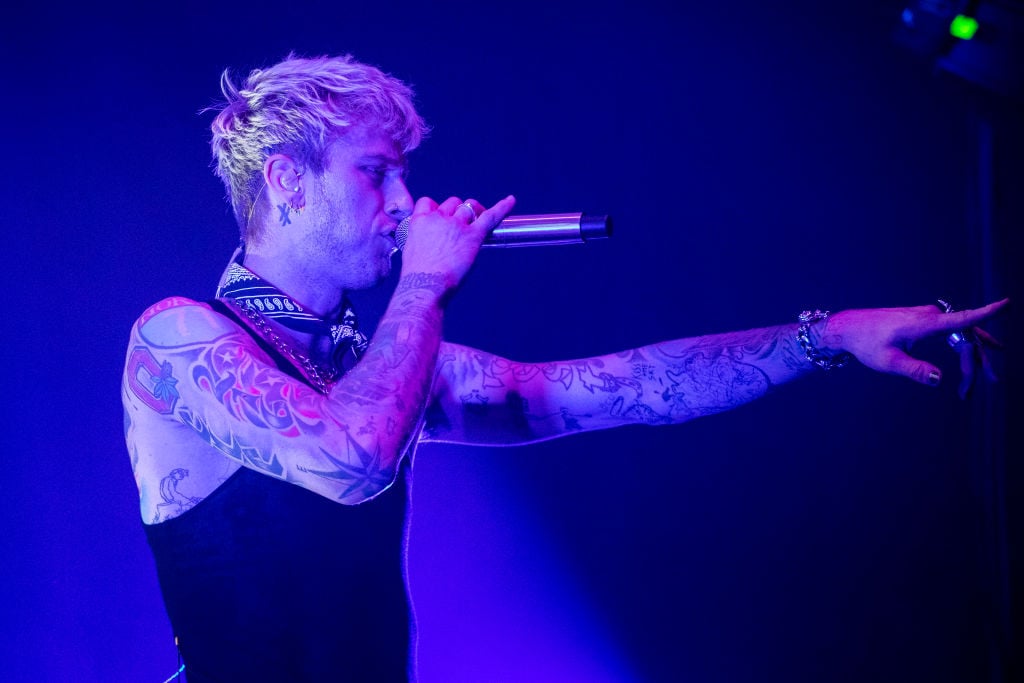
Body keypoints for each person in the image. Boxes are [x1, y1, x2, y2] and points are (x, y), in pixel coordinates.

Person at [121, 54, 1006, 683]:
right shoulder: (178, 339)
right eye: (375, 174)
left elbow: (629, 387)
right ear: (287, 180)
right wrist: (425, 282)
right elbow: (349, 458)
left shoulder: (377, 365)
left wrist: (829, 335)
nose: (404, 202)